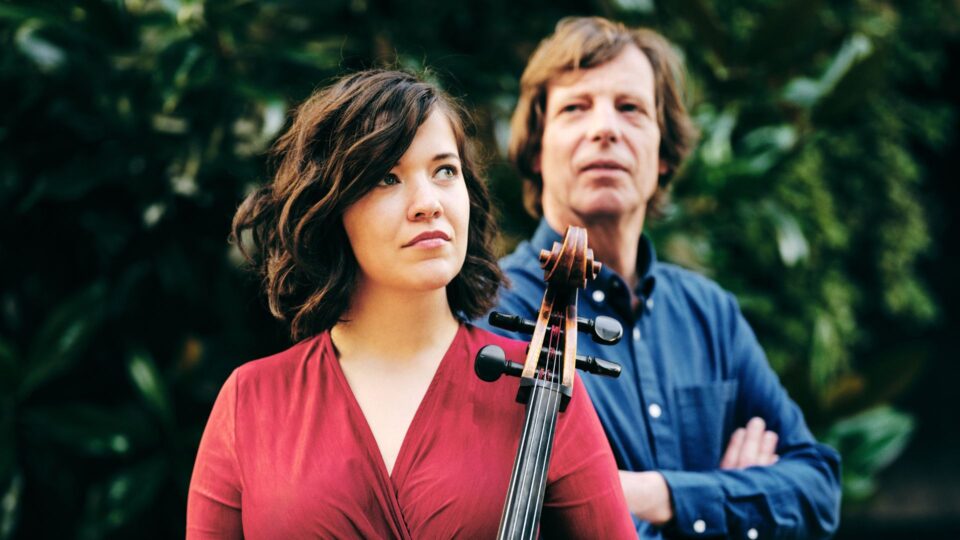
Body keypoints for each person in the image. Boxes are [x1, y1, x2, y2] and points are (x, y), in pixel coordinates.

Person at [186, 69, 635, 538]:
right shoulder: (250, 401)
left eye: (445, 171)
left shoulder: (544, 389)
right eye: (387, 177)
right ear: (330, 209)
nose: (428, 203)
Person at [482, 17, 842, 539]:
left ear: (665, 153)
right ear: (537, 150)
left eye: (630, 108)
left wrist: (658, 495)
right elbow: (507, 508)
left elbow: (818, 489)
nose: (604, 128)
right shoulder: (492, 312)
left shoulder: (710, 314)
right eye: (575, 107)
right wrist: (730, 497)